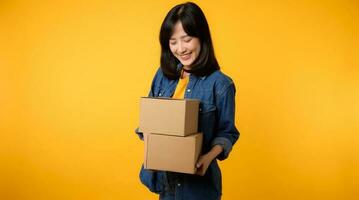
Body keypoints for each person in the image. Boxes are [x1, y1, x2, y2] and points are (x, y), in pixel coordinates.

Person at [135, 2, 240, 200]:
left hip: (199, 189)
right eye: (173, 41)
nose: (180, 48)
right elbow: (148, 121)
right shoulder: (162, 77)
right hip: (165, 184)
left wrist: (207, 158)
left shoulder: (221, 84)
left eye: (187, 39)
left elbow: (227, 132)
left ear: (201, 37)